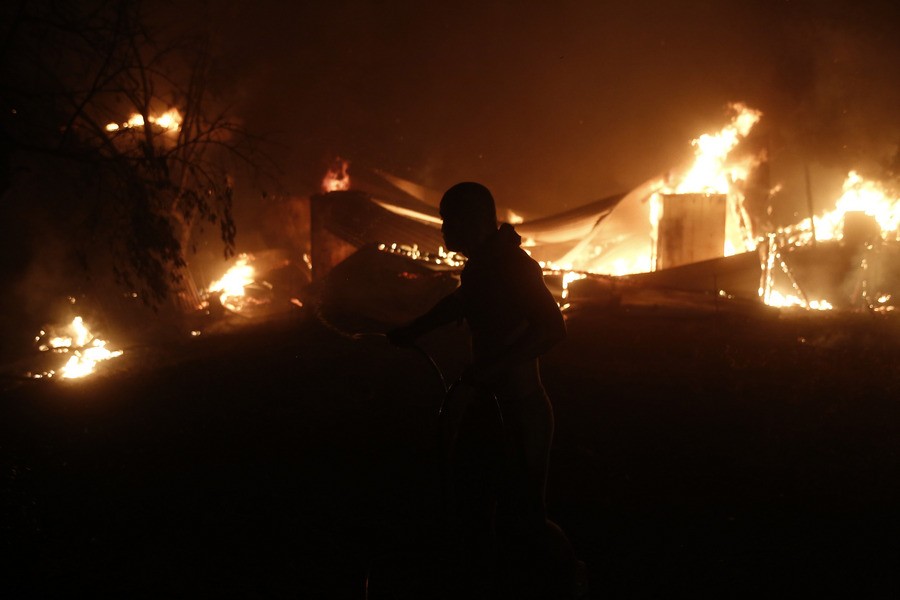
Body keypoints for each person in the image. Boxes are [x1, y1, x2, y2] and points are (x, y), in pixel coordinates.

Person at [389, 182, 584, 599]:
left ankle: (563, 582)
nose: (443, 229)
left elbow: (552, 328)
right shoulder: (483, 266)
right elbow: (463, 302)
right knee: (471, 507)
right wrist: (414, 330)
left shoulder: (513, 266)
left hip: (519, 413)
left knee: (525, 520)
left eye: (449, 219)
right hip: (488, 410)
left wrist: (490, 369)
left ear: (475, 220)